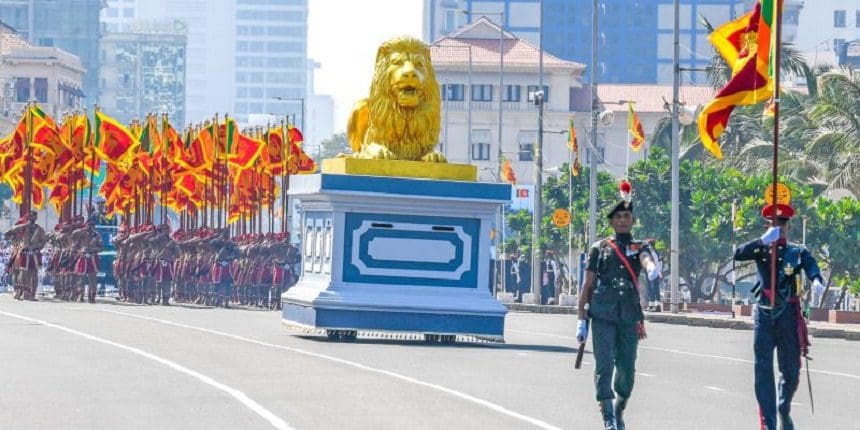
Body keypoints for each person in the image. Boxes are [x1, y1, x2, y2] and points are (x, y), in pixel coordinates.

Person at [734, 202, 822, 430]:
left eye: (783, 223)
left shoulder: (797, 251)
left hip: (788, 317)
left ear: (789, 226)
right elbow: (738, 254)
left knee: (791, 371)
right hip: (764, 316)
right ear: (768, 225)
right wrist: (763, 240)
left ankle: (784, 406)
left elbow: (811, 266)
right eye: (775, 223)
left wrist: (817, 280)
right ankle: (769, 423)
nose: (780, 227)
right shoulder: (760, 249)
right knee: (763, 370)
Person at [576, 197, 659, 430]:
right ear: (612, 222)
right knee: (604, 366)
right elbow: (588, 285)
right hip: (603, 313)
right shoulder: (600, 248)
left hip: (630, 316)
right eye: (618, 217)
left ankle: (620, 407)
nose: (622, 221)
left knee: (627, 369)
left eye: (627, 217)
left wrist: (650, 267)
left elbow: (644, 259)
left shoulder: (639, 247)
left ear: (633, 220)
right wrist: (581, 321)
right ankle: (608, 416)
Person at [644, 239, 663, 312]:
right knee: (654, 289)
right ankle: (653, 306)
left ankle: (654, 306)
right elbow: (660, 263)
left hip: (652, 273)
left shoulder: (652, 252)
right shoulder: (656, 252)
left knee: (652, 289)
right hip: (655, 272)